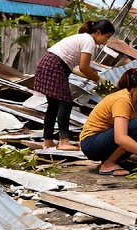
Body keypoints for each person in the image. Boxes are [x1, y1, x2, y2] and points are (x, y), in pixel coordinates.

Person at [35, 20, 115, 150]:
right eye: (106, 37)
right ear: (98, 32)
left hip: (47, 64)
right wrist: (99, 79)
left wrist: (94, 77)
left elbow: (76, 69)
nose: (105, 41)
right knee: (66, 102)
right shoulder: (89, 41)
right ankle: (63, 142)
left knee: (54, 105)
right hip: (55, 66)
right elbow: (84, 67)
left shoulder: (82, 38)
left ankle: (48, 141)